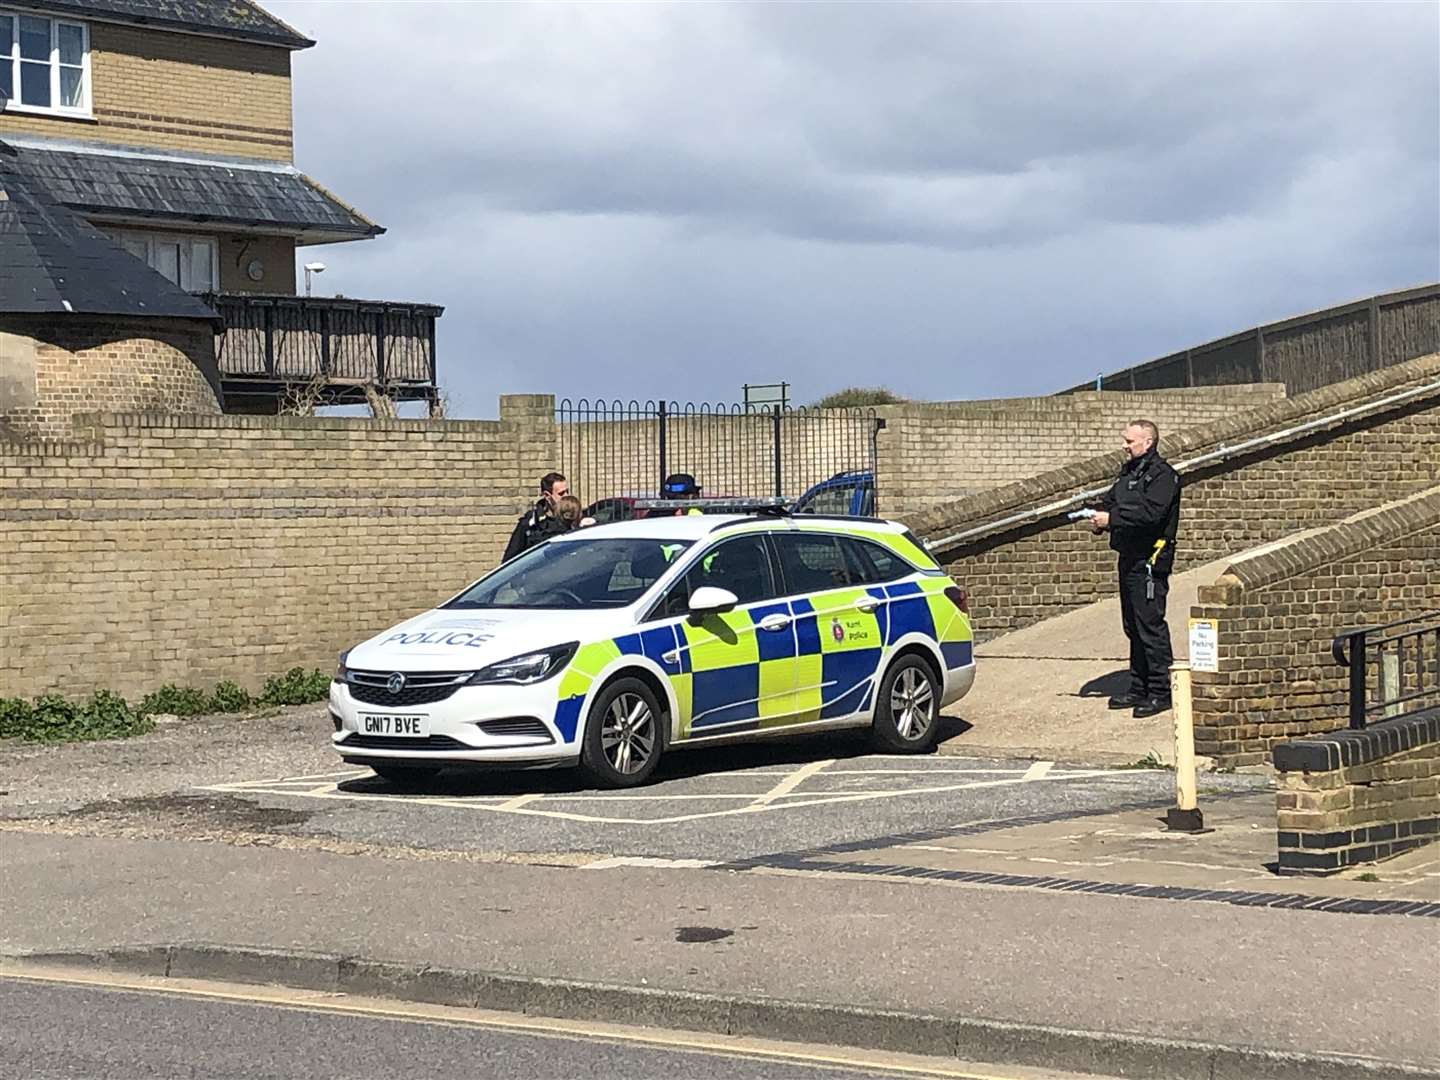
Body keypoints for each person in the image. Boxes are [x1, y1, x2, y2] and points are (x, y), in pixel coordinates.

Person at [1086, 420, 1181, 719]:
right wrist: (1097, 512)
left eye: (1130, 441)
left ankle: (1161, 691)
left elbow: (1150, 514)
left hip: (1150, 560)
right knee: (1132, 625)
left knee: (1150, 624)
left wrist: (1111, 519)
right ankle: (1138, 686)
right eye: (1125, 440)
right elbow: (1113, 501)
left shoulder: (1163, 475)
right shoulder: (1129, 472)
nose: (1125, 445)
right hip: (1128, 556)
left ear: (1148, 441)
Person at [503, 471, 568, 561]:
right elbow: (510, 560)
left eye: (567, 492)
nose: (567, 496)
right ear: (547, 496)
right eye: (561, 494)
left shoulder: (573, 518)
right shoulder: (531, 523)